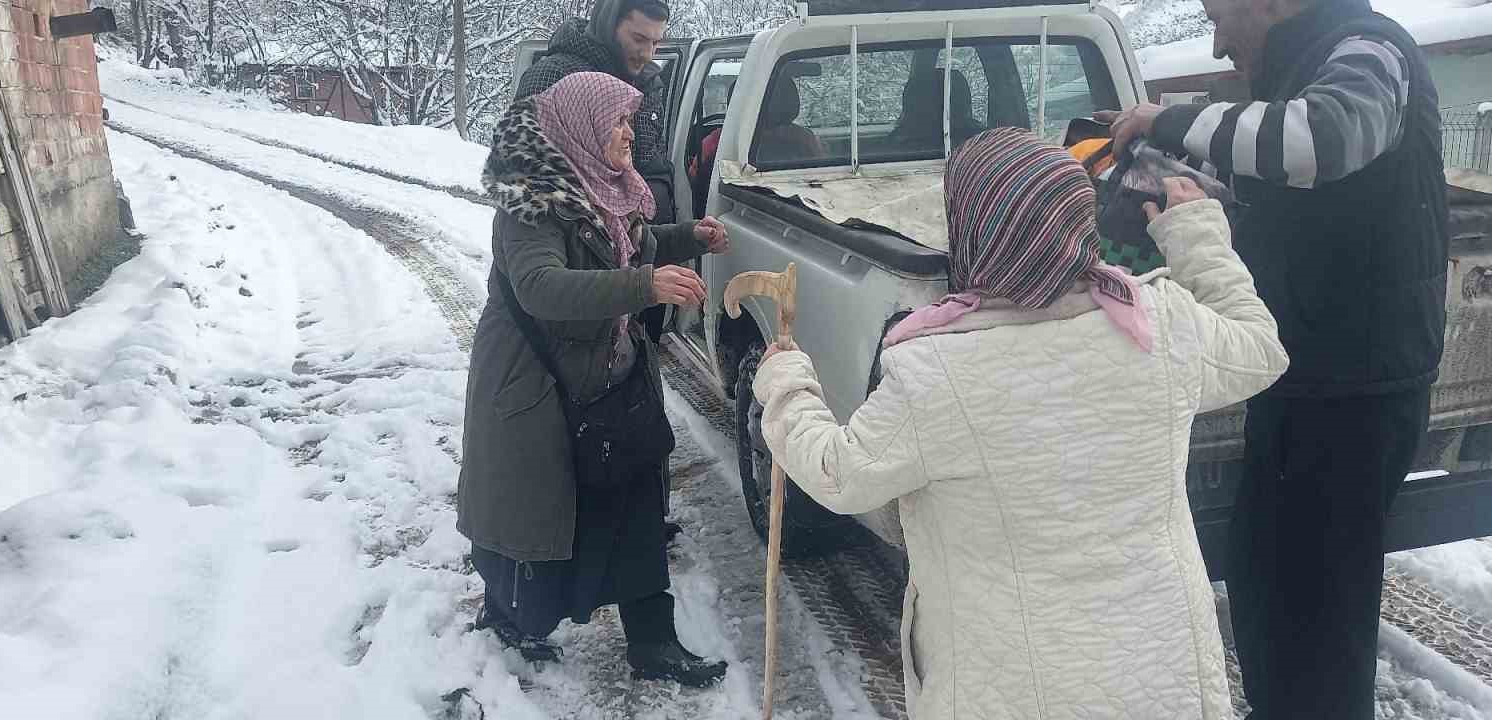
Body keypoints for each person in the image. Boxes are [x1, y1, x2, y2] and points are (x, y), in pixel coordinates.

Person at [753, 128, 1288, 719]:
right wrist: (1196, 235)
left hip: (1012, 690)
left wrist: (786, 383)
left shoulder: (937, 372)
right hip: (1159, 678)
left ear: (971, 229)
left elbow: (839, 473)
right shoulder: (1159, 326)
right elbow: (1260, 350)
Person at [1101, 0, 1448, 715]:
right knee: (1266, 586)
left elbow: (1321, 140)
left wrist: (1168, 120)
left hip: (1356, 390)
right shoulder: (1300, 70)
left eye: (1217, 13)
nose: (1219, 40)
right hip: (1305, 379)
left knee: (1317, 611)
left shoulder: (1369, 48)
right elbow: (1283, 184)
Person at [457, 72, 729, 688]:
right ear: (580, 127)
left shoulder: (606, 188)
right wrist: (644, 285)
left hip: (609, 377)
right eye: (617, 122)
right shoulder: (531, 204)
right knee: (542, 516)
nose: (628, 134)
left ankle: (653, 641)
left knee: (634, 503)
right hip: (539, 390)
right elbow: (541, 288)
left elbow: (627, 245)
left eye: (631, 121)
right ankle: (508, 620)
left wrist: (688, 239)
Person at [518, 0, 678, 347]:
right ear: (609, 25)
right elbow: (524, 175)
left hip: (630, 251)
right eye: (638, 38)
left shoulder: (648, 83)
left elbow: (648, 160)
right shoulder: (554, 76)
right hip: (575, 258)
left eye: (656, 43)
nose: (648, 54)